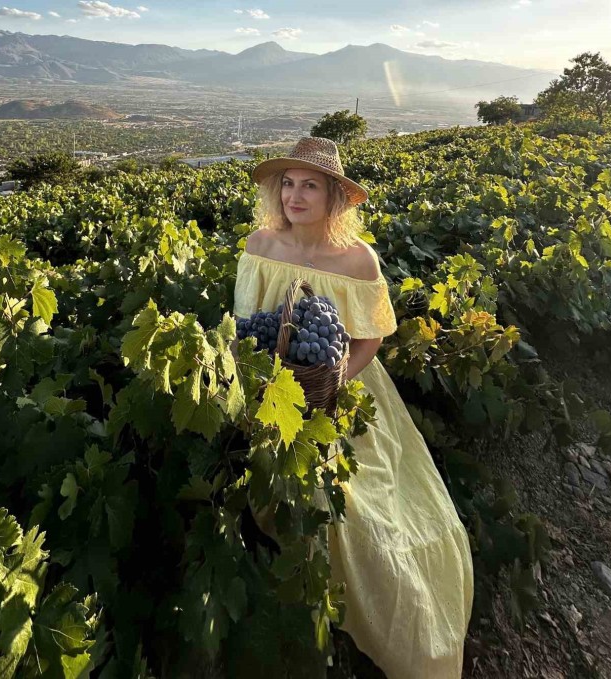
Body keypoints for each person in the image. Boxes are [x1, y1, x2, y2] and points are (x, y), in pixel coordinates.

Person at [234, 136, 474, 678]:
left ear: (334, 197)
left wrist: (337, 379)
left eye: (310, 186)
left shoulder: (358, 259)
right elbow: (250, 326)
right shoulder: (261, 245)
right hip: (275, 389)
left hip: (343, 388)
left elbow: (373, 336)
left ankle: (389, 628)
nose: (295, 196)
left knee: (364, 508)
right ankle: (301, 585)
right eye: (288, 184)